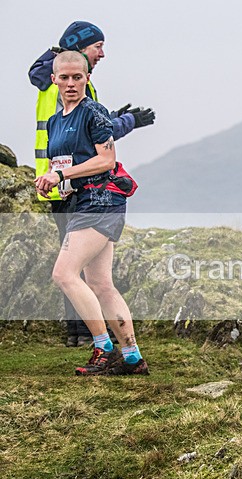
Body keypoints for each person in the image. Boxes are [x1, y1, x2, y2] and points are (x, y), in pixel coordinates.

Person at [29, 20, 155, 347]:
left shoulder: (54, 84)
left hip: (78, 189)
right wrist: (128, 121)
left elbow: (92, 126)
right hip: (74, 188)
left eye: (77, 78)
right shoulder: (62, 88)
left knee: (81, 275)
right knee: (83, 276)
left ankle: (102, 343)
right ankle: (102, 342)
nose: (102, 53)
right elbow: (92, 131)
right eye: (98, 46)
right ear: (79, 49)